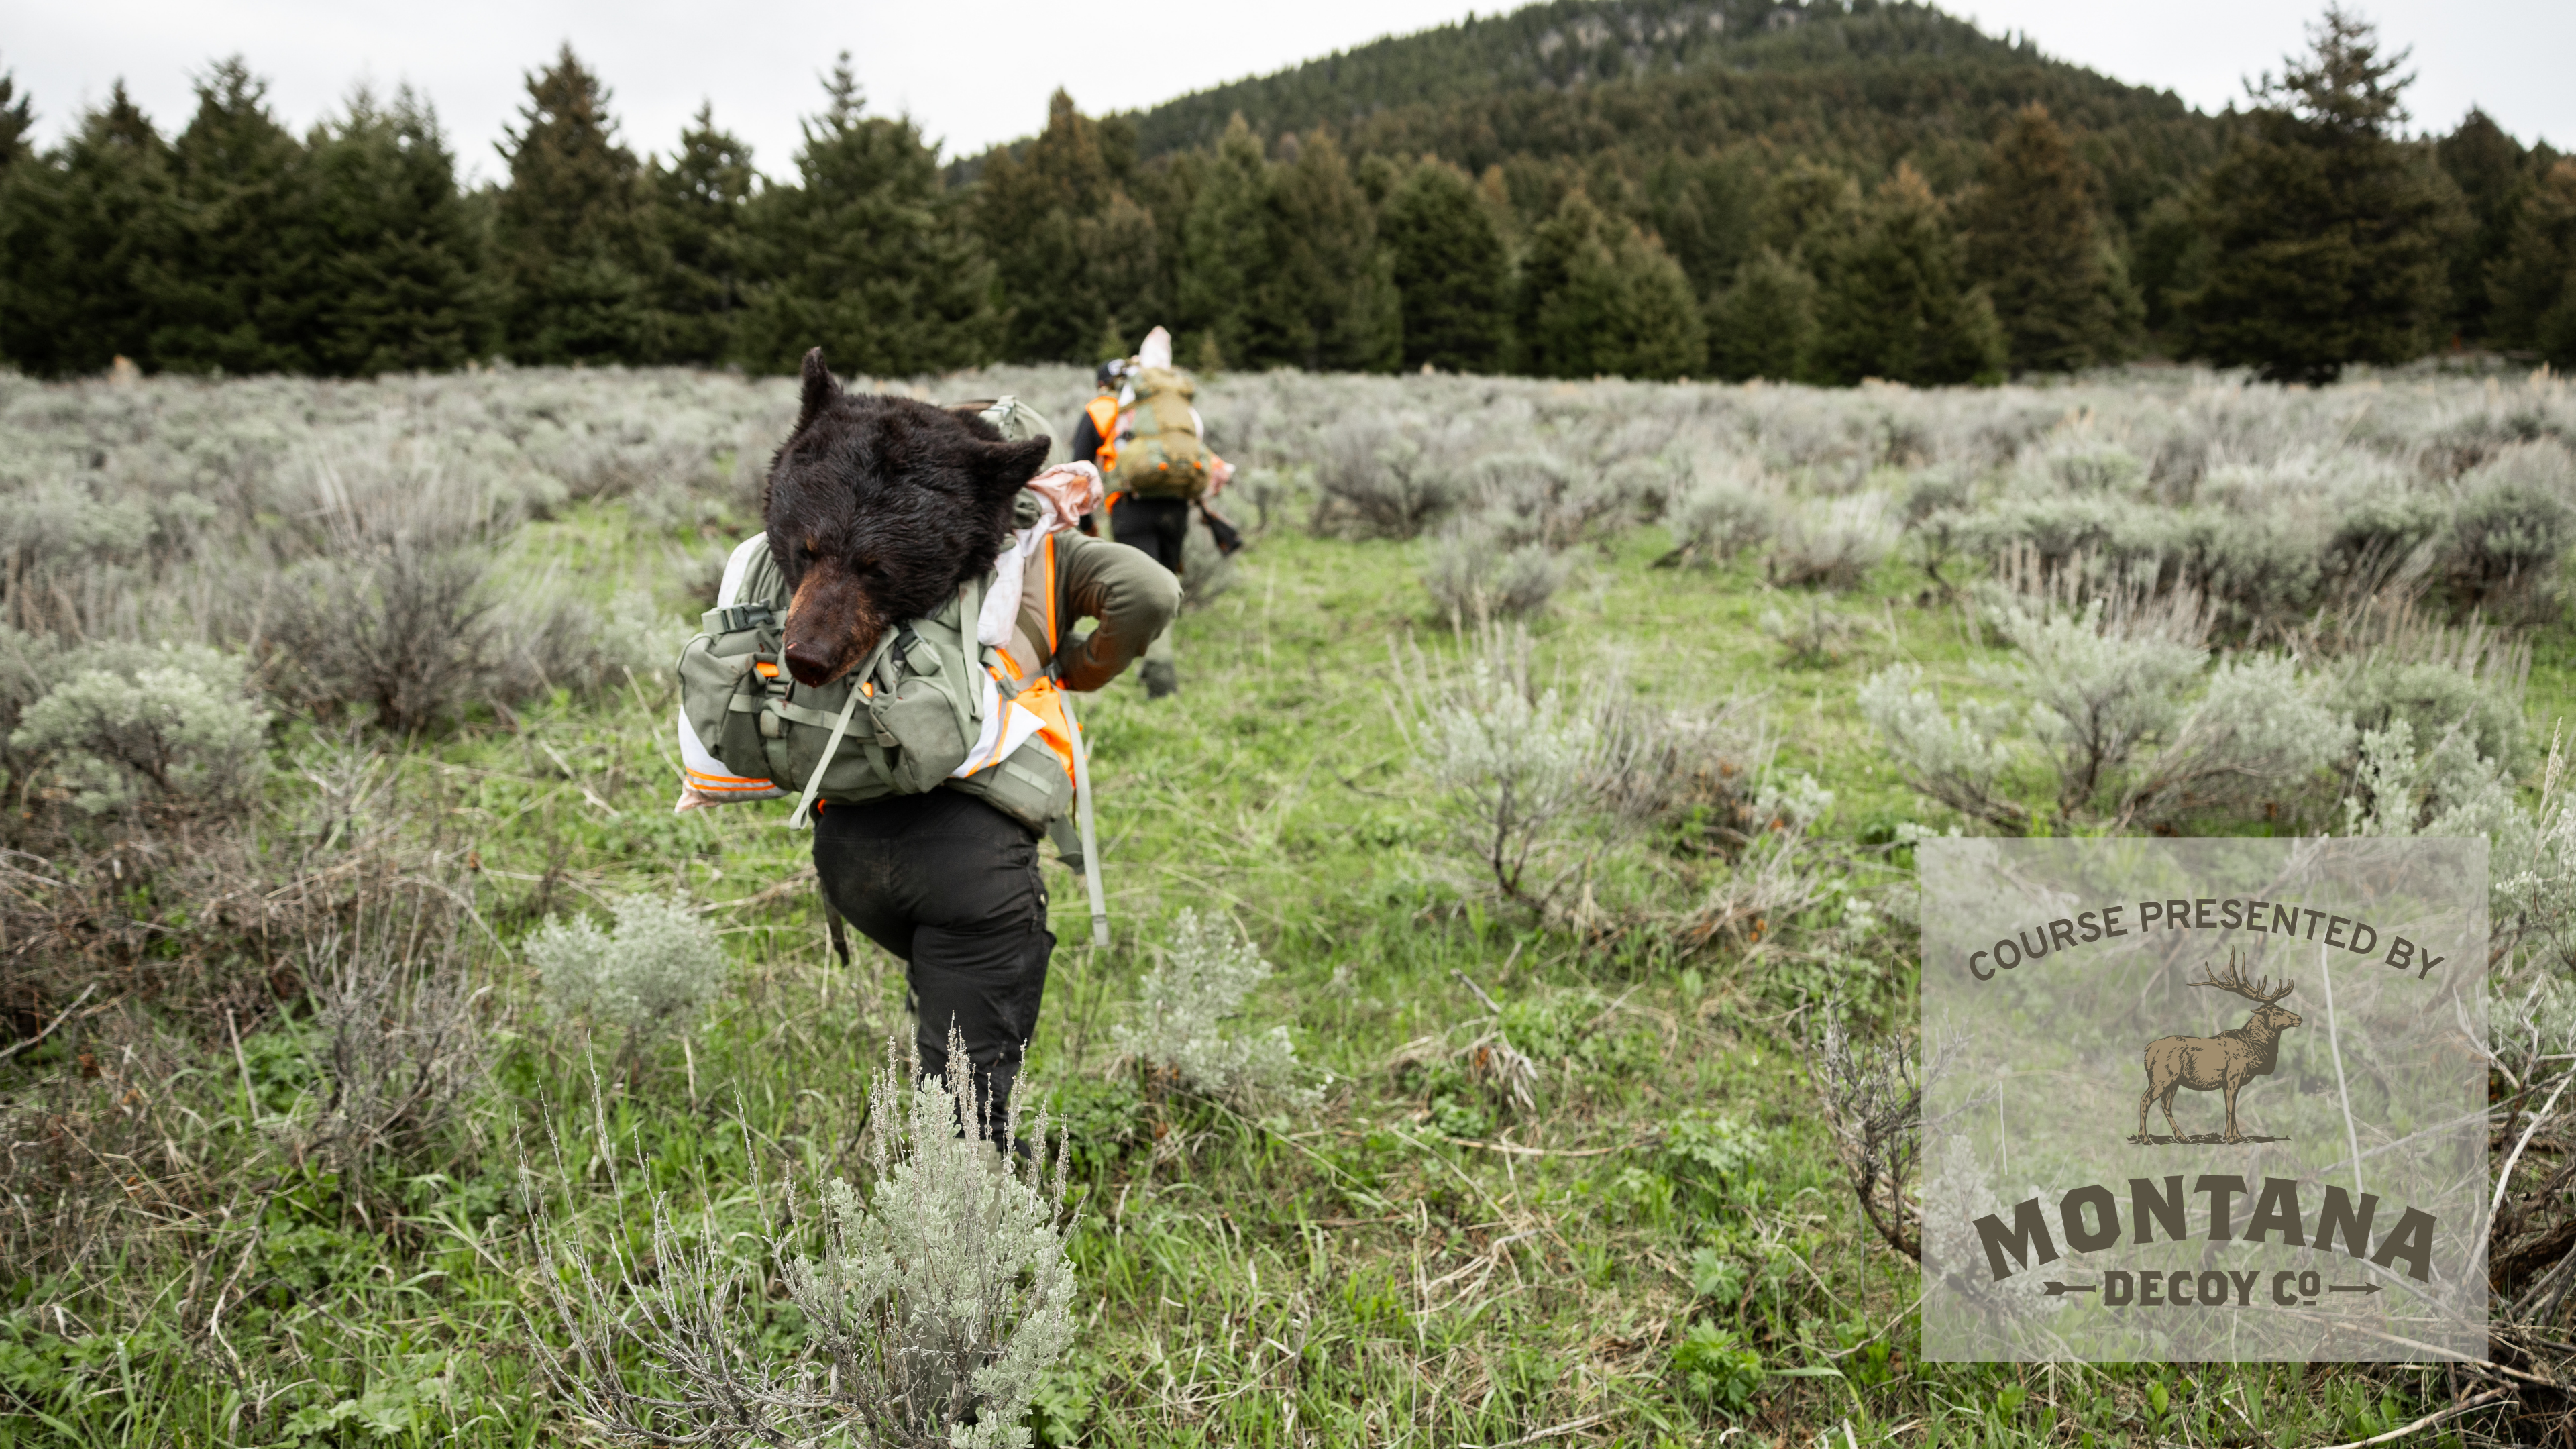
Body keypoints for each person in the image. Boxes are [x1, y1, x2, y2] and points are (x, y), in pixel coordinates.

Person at [676, 362, 1178, 1152]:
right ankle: (960, 1241)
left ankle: (933, 1124)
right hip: (970, 862)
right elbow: (1148, 593)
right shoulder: (1039, 544)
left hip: (845, 852)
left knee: (942, 1006)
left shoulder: (823, 506)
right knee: (973, 1095)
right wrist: (1075, 669)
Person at [1065, 327, 1230, 699]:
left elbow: (1080, 468)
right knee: (1167, 579)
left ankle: (1160, 674)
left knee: (1146, 588)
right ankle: (1153, 660)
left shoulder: (1102, 410)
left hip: (1131, 506)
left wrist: (1085, 522)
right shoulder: (1178, 411)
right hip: (1176, 504)